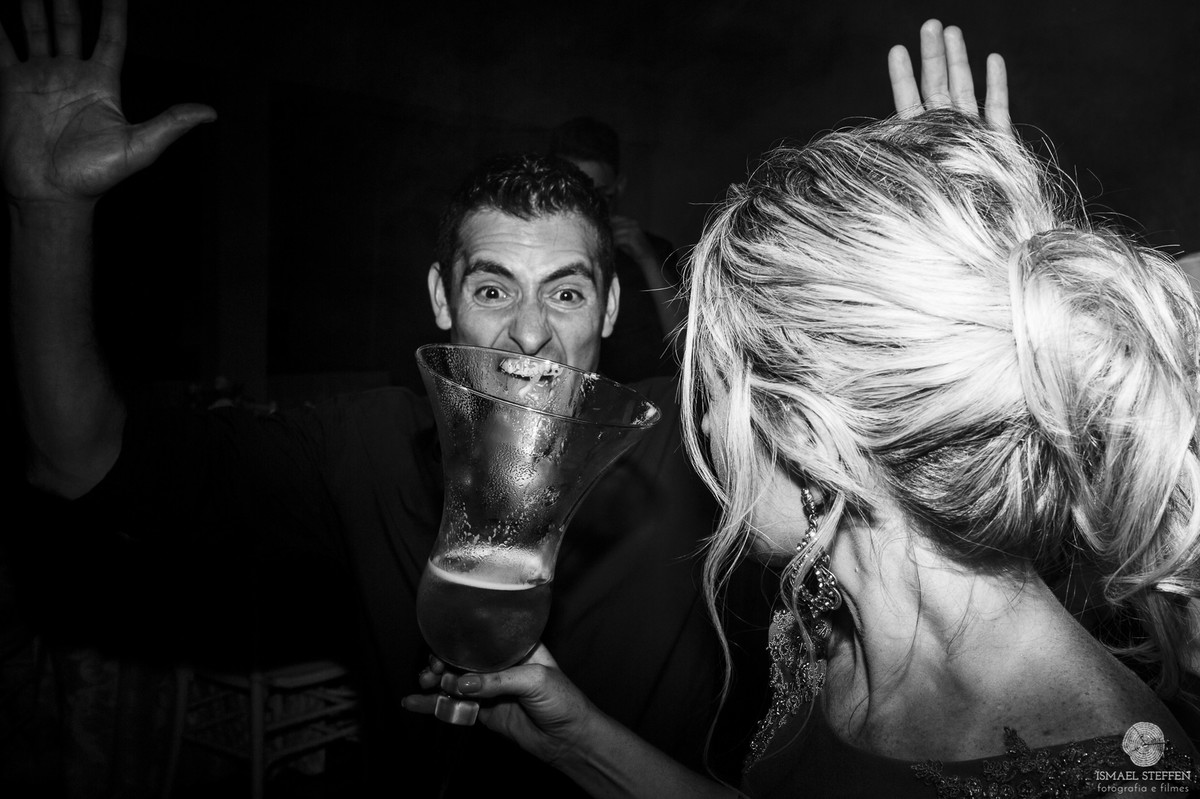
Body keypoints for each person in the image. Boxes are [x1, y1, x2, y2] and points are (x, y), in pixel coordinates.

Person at [404, 22, 1200, 798]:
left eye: (719, 389)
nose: (704, 428)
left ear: (811, 436)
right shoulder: (822, 626)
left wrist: (1005, 311)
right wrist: (576, 737)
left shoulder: (1123, 772)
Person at [1, 2, 769, 796]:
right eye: (493, 288)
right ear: (442, 297)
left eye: (566, 292)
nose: (530, 331)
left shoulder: (689, 441)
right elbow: (78, 457)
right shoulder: (369, 446)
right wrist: (50, 214)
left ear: (607, 310)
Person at [547, 116, 685, 383]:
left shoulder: (651, 250)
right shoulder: (538, 252)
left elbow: (688, 347)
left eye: (599, 195)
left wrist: (647, 260)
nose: (587, 208)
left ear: (618, 187)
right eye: (574, 195)